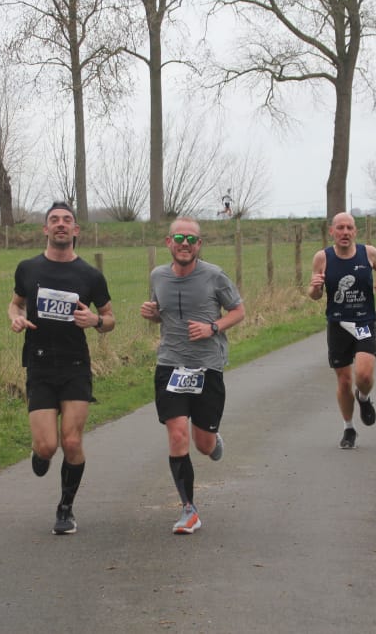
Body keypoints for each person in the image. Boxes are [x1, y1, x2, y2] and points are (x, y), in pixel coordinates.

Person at [8, 201, 115, 535]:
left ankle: (65, 508)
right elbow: (15, 304)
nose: (60, 224)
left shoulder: (90, 275)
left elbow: (109, 318)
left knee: (71, 442)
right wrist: (16, 318)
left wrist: (95, 320)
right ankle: (40, 454)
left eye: (67, 220)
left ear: (75, 230)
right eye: (54, 220)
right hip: (40, 364)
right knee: (47, 446)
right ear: (45, 229)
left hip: (75, 366)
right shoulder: (28, 269)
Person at [140, 217, 245, 534]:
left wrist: (212, 327)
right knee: (176, 435)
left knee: (203, 444)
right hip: (170, 364)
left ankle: (212, 441)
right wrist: (153, 314)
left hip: (207, 366)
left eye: (191, 239)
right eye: (178, 238)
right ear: (168, 242)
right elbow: (163, 315)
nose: (184, 244)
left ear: (199, 244)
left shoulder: (215, 276)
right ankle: (189, 509)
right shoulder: (157, 276)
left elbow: (238, 311)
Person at [307, 212, 376, 450]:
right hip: (338, 325)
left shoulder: (368, 253)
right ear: (331, 231)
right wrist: (315, 288)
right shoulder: (322, 257)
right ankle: (349, 428)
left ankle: (363, 397)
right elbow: (314, 295)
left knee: (364, 375)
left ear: (355, 231)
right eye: (340, 228)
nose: (345, 232)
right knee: (344, 381)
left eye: (349, 228)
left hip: (363, 322)